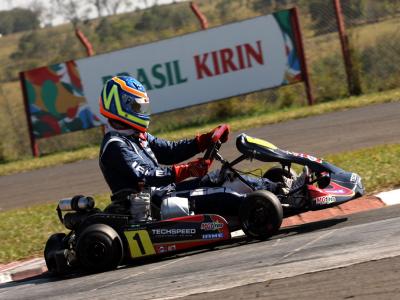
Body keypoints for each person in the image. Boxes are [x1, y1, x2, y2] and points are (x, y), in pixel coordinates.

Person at [98, 76, 304, 222]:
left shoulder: (135, 135)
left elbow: (170, 151)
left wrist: (204, 140)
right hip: (154, 205)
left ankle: (283, 189)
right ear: (120, 107)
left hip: (166, 192)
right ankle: (276, 199)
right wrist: (188, 170)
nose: (142, 113)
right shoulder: (115, 146)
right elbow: (147, 175)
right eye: (137, 108)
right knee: (223, 194)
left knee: (225, 176)